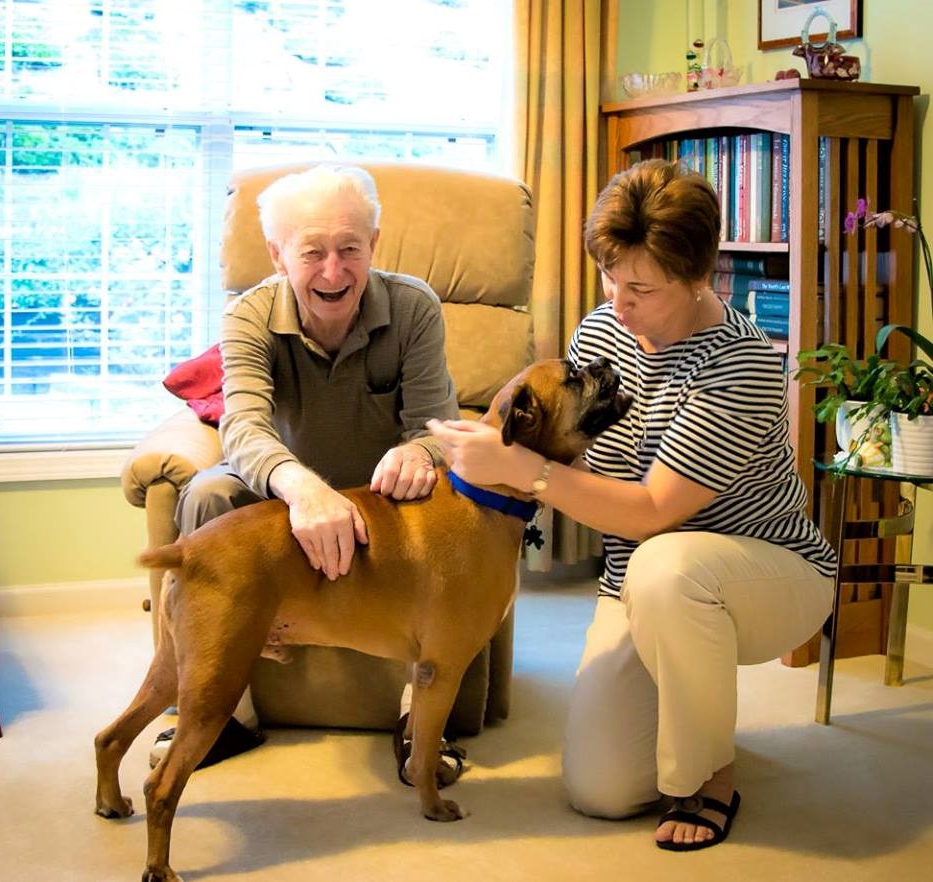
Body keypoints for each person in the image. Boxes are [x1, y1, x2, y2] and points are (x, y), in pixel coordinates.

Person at [427, 158, 837, 851]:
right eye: (609, 277)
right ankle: (692, 709)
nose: (619, 302)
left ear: (699, 276)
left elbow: (653, 511)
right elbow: (563, 457)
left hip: (769, 575)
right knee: (602, 790)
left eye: (641, 287)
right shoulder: (601, 334)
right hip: (639, 582)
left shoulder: (741, 363)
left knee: (667, 566)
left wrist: (523, 470)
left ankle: (710, 778)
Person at [150, 163, 461, 771]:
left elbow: (436, 426)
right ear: (277, 255)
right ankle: (223, 718)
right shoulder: (248, 315)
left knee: (448, 502)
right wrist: (300, 488)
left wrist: (418, 452)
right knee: (208, 495)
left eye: (350, 249)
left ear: (374, 243)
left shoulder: (415, 307)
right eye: (312, 252)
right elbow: (243, 427)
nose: (333, 271)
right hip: (279, 491)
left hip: (385, 502)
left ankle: (420, 723)